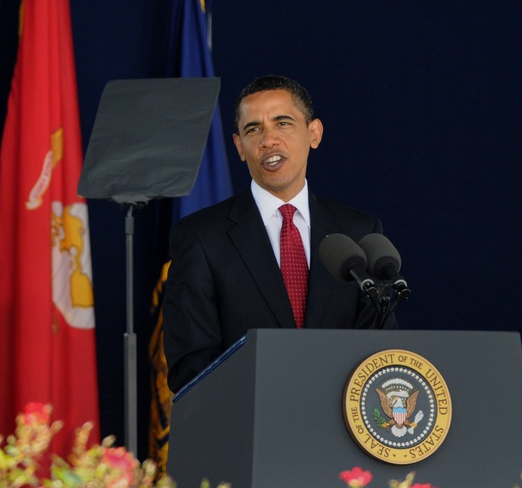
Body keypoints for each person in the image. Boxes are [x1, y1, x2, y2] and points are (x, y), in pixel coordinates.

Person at [162, 75, 395, 393]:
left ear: (314, 133)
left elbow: (382, 354)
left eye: (282, 123)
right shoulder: (201, 238)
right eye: (253, 129)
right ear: (239, 146)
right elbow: (190, 366)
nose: (268, 140)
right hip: (248, 430)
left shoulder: (359, 233)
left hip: (341, 429)